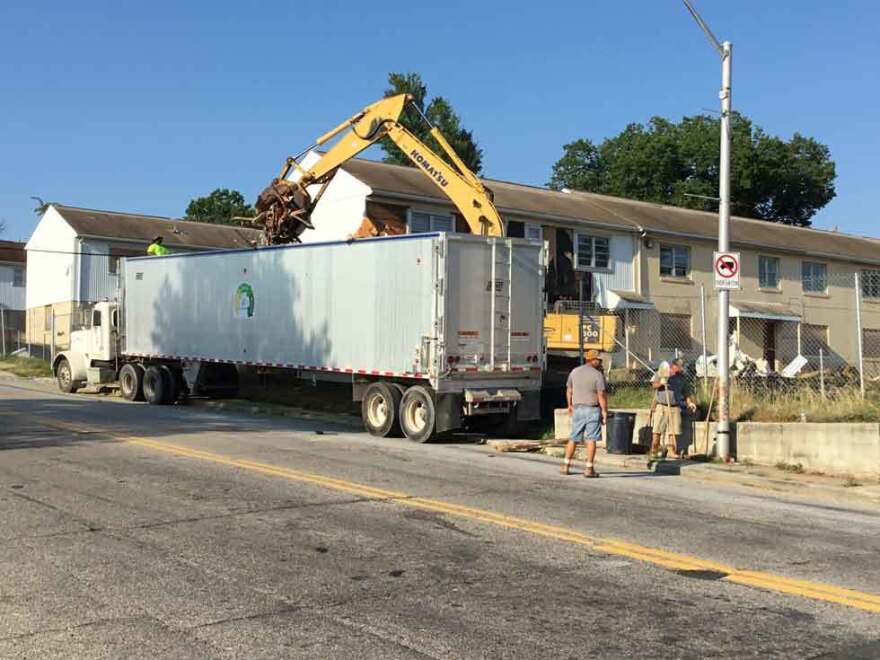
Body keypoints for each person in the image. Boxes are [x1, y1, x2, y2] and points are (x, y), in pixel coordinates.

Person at [562, 349, 608, 478]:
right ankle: (589, 468)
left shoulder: (574, 371)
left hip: (577, 409)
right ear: (591, 359)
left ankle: (565, 465)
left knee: (574, 437)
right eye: (598, 359)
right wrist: (604, 411)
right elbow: (601, 395)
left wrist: (569, 405)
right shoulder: (598, 375)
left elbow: (569, 390)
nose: (599, 361)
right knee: (591, 439)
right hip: (592, 409)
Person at [650, 358, 697, 460]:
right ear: (673, 366)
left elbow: (686, 393)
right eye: (680, 367)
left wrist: (690, 403)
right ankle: (654, 450)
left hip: (675, 407)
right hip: (662, 406)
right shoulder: (662, 372)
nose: (682, 369)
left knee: (674, 431)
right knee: (657, 429)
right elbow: (653, 385)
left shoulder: (682, 378)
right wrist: (661, 383)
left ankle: (671, 451)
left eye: (682, 367)